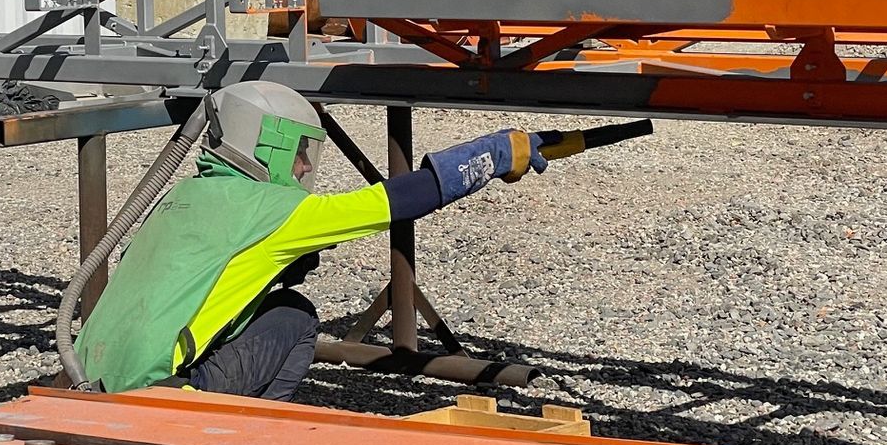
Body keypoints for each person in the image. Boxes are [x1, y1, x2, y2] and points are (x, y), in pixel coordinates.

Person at [73, 82, 548, 400]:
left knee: (264, 306)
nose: (304, 167)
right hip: (162, 396)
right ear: (269, 142)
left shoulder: (185, 195)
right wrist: (494, 154)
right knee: (295, 317)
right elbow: (399, 201)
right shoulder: (271, 209)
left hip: (91, 385)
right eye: (301, 152)